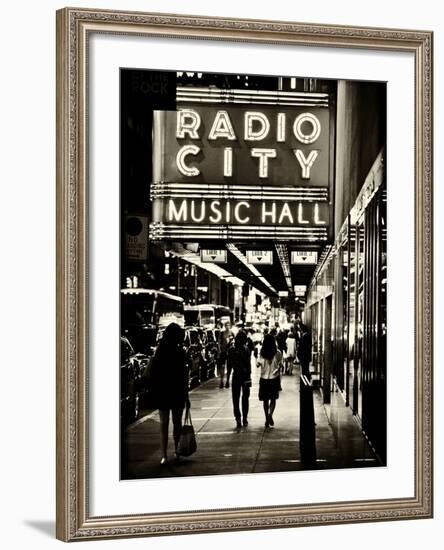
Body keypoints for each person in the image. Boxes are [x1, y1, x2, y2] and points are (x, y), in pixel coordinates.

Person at [149, 322, 190, 465]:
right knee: (177, 423)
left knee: (163, 424)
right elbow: (184, 375)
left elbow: (154, 372)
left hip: (163, 391)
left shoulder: (160, 350)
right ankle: (176, 452)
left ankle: (164, 455)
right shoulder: (180, 352)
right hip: (177, 391)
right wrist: (186, 395)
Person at [257, 334, 282, 428]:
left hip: (264, 379)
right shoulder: (278, 352)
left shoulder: (262, 352)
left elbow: (258, 364)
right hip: (274, 379)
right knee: (273, 399)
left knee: (265, 400)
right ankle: (270, 414)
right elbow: (281, 364)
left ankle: (266, 418)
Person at [227, 330, 252, 428]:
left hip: (236, 376)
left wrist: (227, 379)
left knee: (235, 398)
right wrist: (249, 377)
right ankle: (245, 418)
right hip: (245, 376)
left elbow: (229, 366)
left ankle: (238, 418)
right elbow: (248, 365)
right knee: (245, 398)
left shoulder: (231, 350)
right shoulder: (246, 349)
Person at [217, 322, 233, 388]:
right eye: (226, 325)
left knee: (229, 367)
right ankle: (221, 381)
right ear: (224, 326)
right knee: (222, 366)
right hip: (223, 352)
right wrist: (219, 351)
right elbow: (219, 343)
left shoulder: (232, 333)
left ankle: (228, 381)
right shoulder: (222, 333)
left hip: (229, 352)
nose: (227, 326)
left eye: (228, 325)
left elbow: (233, 343)